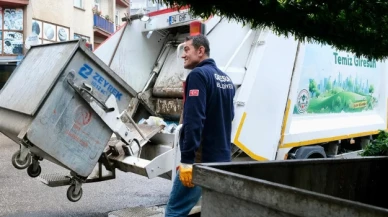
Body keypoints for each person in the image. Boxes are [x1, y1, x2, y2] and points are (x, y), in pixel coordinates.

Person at [165, 34, 235, 217]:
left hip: (200, 160)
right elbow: (229, 117)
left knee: (175, 211)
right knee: (213, 210)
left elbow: (194, 120)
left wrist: (187, 161)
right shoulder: (227, 80)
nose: (183, 54)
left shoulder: (198, 75)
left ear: (201, 50)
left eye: (187, 49)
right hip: (222, 160)